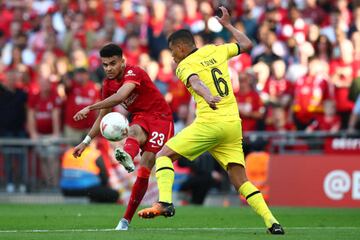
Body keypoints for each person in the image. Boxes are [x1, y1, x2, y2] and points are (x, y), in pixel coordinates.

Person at [137, 7, 285, 235]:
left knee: (163, 155)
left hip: (210, 122)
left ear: (181, 47)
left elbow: (196, 82)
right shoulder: (216, 51)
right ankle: (272, 222)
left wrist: (206, 95)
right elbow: (247, 45)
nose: (172, 56)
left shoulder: (184, 65)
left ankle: (165, 202)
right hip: (233, 125)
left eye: (172, 51)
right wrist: (228, 25)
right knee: (240, 180)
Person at [72, 43, 174, 230]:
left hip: (161, 118)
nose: (109, 68)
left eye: (113, 63)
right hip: (141, 117)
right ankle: (124, 220)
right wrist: (85, 142)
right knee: (133, 131)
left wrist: (89, 107)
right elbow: (102, 117)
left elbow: (120, 97)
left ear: (122, 62)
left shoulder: (134, 72)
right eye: (105, 65)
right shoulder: (107, 84)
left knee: (146, 166)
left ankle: (127, 216)